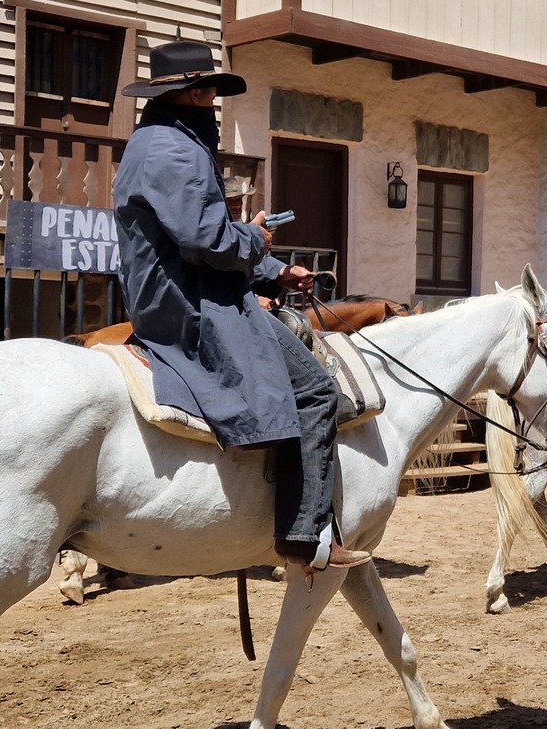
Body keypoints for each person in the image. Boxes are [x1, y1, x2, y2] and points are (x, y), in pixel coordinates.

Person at [113, 41, 368, 573]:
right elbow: (206, 240)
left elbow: (198, 238)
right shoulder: (175, 150)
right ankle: (303, 535)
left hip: (192, 286)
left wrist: (276, 270)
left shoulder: (160, 140)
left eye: (209, 88)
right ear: (186, 93)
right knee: (316, 391)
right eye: (202, 89)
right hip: (192, 303)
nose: (209, 98)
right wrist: (254, 239)